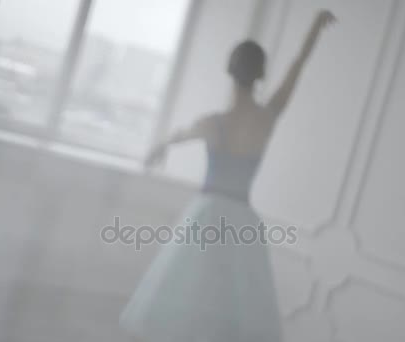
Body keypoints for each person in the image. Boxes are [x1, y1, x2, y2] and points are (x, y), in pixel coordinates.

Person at [120, 9, 335, 342]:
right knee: (228, 312)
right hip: (241, 223)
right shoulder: (267, 118)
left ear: (229, 72)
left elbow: (175, 137)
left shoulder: (213, 123)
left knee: (189, 300)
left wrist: (158, 149)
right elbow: (296, 68)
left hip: (206, 218)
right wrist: (314, 30)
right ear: (261, 75)